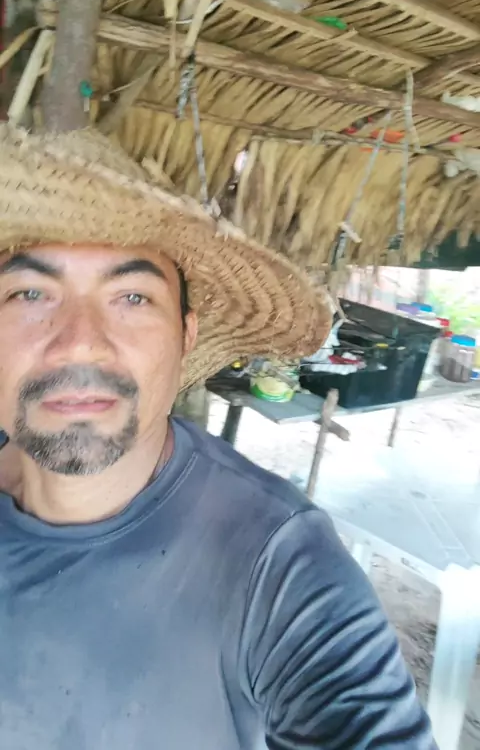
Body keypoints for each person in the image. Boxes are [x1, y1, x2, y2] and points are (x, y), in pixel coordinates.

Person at [0, 125, 437, 749]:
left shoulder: (279, 567)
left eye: (132, 297)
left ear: (187, 337)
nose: (80, 343)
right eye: (30, 293)